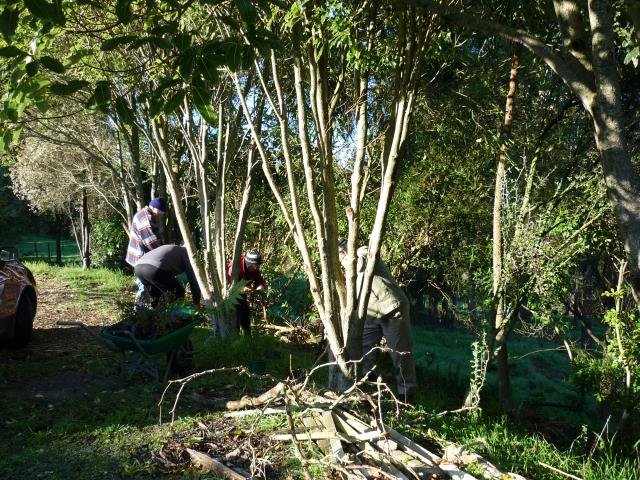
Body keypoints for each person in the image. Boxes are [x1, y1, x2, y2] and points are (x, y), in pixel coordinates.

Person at [338, 238, 417, 402]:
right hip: (370, 314)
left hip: (391, 306)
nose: (340, 256)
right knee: (361, 349)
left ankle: (406, 394)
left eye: (341, 251)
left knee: (400, 352)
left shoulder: (364, 251)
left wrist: (346, 258)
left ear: (346, 247)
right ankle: (363, 385)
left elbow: (359, 265)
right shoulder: (346, 268)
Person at [126, 197, 167, 302]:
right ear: (152, 207)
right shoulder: (146, 219)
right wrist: (164, 253)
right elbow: (151, 242)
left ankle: (147, 311)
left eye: (162, 213)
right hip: (140, 257)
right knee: (144, 285)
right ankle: (138, 312)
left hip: (138, 255)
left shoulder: (144, 214)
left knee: (147, 284)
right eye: (159, 211)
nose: (160, 214)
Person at [134, 244, 201, 306]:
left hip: (138, 268)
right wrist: (196, 302)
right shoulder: (187, 253)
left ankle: (156, 316)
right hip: (154, 268)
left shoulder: (174, 249)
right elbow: (193, 280)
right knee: (178, 292)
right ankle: (178, 317)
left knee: (156, 295)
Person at [226, 249, 266, 336]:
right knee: (235, 316)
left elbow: (260, 281)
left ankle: (247, 338)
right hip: (228, 296)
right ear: (249, 263)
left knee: (245, 315)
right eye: (255, 265)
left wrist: (259, 288)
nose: (256, 268)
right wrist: (242, 288)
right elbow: (228, 286)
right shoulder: (235, 267)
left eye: (258, 265)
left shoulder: (255, 269)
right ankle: (234, 337)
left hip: (241, 296)